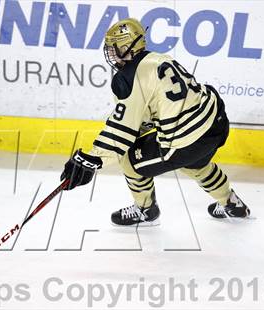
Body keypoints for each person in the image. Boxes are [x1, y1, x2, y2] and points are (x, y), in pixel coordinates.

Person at [60, 18, 251, 226]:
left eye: (113, 47)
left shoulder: (128, 77)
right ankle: (231, 203)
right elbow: (153, 112)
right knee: (196, 163)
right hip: (215, 124)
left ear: (126, 47)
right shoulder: (158, 59)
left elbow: (122, 131)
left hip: (188, 140)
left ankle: (145, 208)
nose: (111, 53)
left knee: (129, 158)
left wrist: (91, 160)